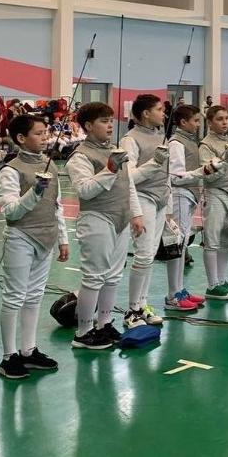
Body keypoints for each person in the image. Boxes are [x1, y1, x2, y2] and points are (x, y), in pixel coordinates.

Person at [0, 114, 69, 379]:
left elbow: (56, 205)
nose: (45, 137)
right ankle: (8, 357)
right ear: (21, 138)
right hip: (21, 238)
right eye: (38, 133)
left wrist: (63, 238)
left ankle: (28, 350)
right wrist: (35, 191)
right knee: (14, 297)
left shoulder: (51, 167)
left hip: (46, 239)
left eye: (45, 132)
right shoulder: (10, 170)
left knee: (35, 296)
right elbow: (11, 212)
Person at [66, 102, 144, 350]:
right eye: (103, 121)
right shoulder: (79, 157)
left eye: (110, 120)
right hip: (97, 218)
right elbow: (85, 190)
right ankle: (83, 332)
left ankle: (104, 324)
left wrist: (136, 214)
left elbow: (128, 185)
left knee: (113, 276)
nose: (110, 125)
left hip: (121, 219)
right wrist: (110, 168)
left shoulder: (115, 151)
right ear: (88, 126)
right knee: (94, 277)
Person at [120, 94, 172, 328]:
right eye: (159, 109)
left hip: (160, 200)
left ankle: (142, 305)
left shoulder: (161, 136)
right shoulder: (130, 139)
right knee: (142, 255)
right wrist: (154, 163)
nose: (164, 113)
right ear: (145, 114)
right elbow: (128, 177)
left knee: (150, 255)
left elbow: (166, 174)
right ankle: (132, 310)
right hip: (142, 199)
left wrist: (169, 207)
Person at [167, 105, 209, 311]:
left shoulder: (190, 140)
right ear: (183, 122)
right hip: (179, 195)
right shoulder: (176, 143)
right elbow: (175, 176)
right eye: (195, 121)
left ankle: (180, 290)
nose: (198, 124)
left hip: (189, 194)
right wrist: (202, 172)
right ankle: (173, 296)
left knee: (182, 245)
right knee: (177, 245)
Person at [199, 106, 228, 300]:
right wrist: (226, 161)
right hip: (215, 194)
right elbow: (208, 176)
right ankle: (212, 285)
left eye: (226, 119)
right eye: (219, 119)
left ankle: (221, 280)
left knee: (225, 241)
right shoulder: (206, 145)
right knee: (212, 240)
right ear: (209, 122)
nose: (225, 122)